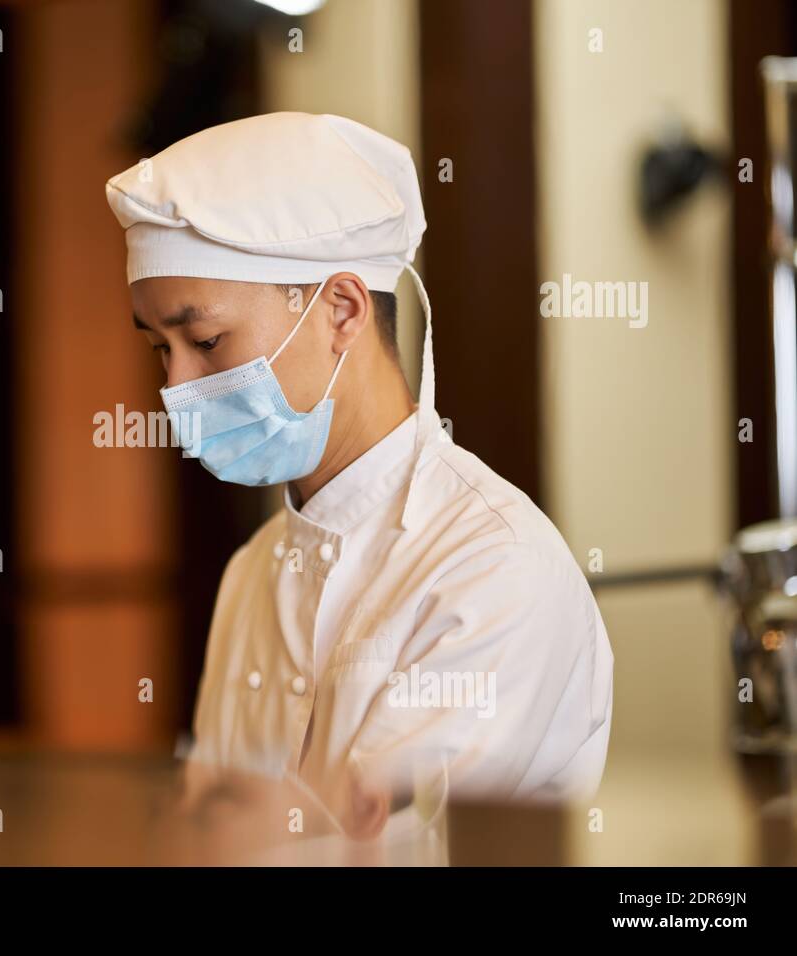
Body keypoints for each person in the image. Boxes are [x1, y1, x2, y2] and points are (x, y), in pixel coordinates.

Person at [105, 112, 614, 834]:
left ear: (341, 310)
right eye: (162, 349)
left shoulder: (491, 567)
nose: (178, 386)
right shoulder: (252, 572)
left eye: (206, 340)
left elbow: (387, 845)